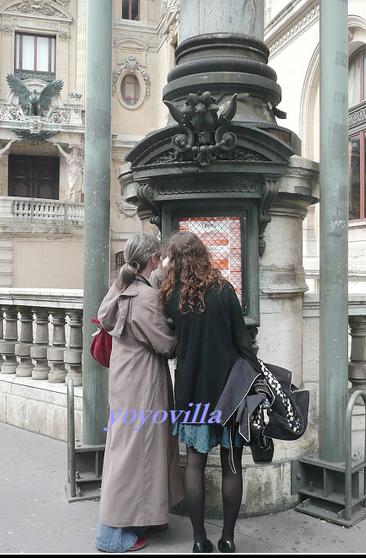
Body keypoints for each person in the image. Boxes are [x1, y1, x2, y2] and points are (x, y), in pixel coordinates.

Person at [158, 230, 262, 554]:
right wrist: (255, 377)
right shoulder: (224, 289)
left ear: (174, 260)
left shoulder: (171, 297)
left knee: (194, 463)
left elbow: (170, 344)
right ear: (202, 254)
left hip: (191, 391)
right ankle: (228, 539)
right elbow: (243, 343)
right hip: (229, 391)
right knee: (233, 464)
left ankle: (199, 540)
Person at [94, 232, 184, 553]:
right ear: (153, 259)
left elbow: (107, 315)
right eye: (159, 257)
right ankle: (111, 535)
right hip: (143, 385)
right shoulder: (145, 298)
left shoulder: (121, 286)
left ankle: (144, 517)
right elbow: (166, 344)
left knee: (131, 451)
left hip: (123, 381)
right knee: (135, 455)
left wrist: (162, 270)